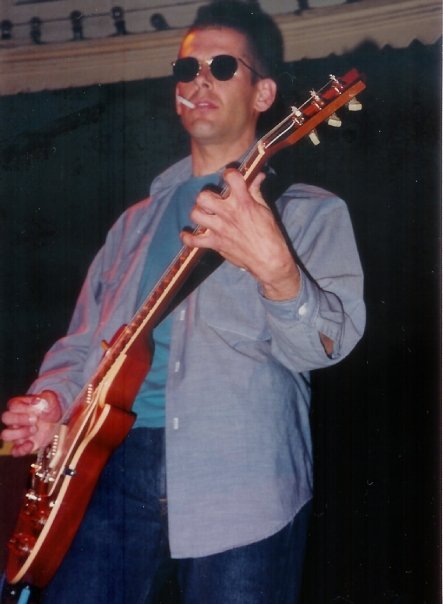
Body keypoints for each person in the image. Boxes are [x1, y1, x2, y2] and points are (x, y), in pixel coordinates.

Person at [1, 1, 365, 602]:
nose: (199, 81)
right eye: (186, 68)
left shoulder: (308, 212)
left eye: (222, 67)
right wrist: (52, 399)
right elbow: (82, 341)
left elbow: (325, 347)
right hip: (105, 468)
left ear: (264, 93)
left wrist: (278, 272)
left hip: (240, 475)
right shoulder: (133, 224)